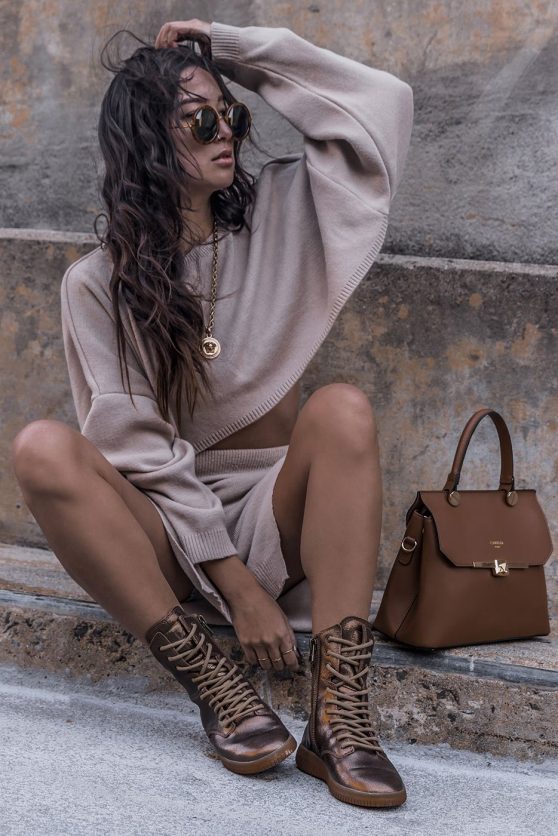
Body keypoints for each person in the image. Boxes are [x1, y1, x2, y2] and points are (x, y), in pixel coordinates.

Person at [10, 17, 414, 808]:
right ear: (149, 142)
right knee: (42, 449)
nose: (225, 130)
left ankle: (339, 716)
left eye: (232, 115)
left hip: (276, 511)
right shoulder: (100, 283)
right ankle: (216, 683)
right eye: (201, 120)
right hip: (169, 532)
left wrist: (231, 51)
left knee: (341, 409)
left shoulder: (288, 212)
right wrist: (237, 589)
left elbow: (384, 103)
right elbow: (137, 450)